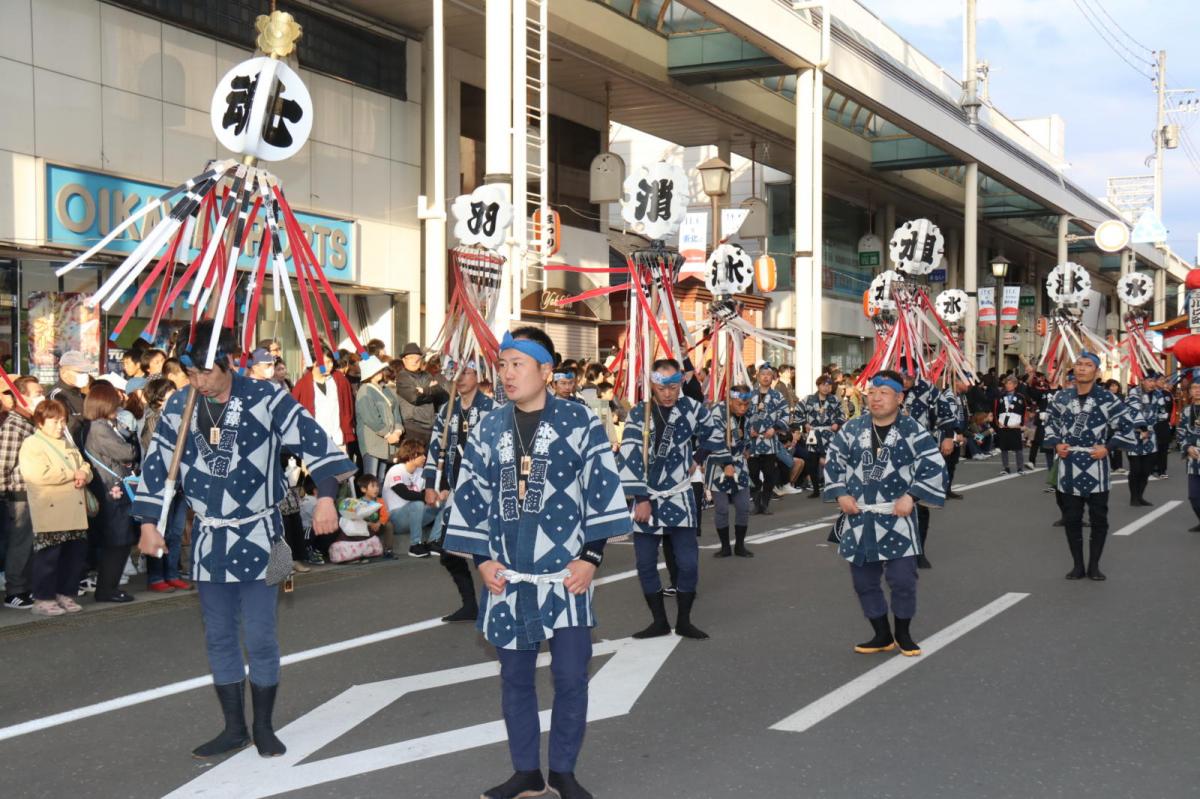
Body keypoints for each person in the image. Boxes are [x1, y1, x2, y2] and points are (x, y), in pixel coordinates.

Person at [133, 321, 354, 760]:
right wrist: (147, 522)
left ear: (230, 363)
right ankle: (234, 727)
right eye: (192, 373)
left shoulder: (267, 397)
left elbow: (316, 444)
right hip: (209, 540)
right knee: (217, 636)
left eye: (208, 374)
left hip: (267, 535)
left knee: (261, 634)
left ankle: (264, 725)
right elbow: (157, 468)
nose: (200, 382)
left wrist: (327, 498)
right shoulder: (180, 405)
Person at [443, 327, 630, 799]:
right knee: (514, 678)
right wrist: (481, 561)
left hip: (566, 573)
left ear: (546, 371)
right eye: (502, 365)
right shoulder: (487, 427)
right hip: (507, 575)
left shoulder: (580, 421)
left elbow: (602, 490)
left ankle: (563, 770)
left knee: (570, 675)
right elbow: (471, 497)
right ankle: (526, 770)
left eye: (517, 364)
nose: (506, 374)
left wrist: (591, 557)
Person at [823, 370, 947, 657]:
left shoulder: (912, 429)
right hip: (859, 517)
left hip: (896, 516)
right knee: (863, 581)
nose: (876, 398)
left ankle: (903, 632)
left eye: (884, 393)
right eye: (872, 392)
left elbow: (934, 464)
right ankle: (881, 633)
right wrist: (840, 493)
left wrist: (912, 495)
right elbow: (833, 461)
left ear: (899, 398)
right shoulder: (852, 429)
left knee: (903, 580)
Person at [618, 358, 723, 640]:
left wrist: (698, 457)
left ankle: (685, 620)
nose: (668, 393)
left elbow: (716, 431)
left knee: (688, 562)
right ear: (652, 384)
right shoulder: (640, 413)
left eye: (674, 387)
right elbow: (628, 455)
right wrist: (640, 497)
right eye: (662, 387)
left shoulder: (690, 408)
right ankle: (659, 621)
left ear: (680, 384)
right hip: (647, 497)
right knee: (645, 563)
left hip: (679, 493)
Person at [1042, 352, 1135, 581]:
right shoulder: (1061, 397)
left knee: (1098, 518)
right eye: (1079, 364)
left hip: (1096, 463)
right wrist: (1056, 443)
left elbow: (1126, 427)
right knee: (1072, 518)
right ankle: (1077, 565)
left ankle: (1094, 565)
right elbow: (1049, 424)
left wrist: (1108, 447)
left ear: (1096, 371)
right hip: (1069, 463)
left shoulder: (1107, 398)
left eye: (1088, 365)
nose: (1082, 368)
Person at [423, 361, 496, 622]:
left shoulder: (492, 410)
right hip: (456, 489)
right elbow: (435, 447)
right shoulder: (447, 410)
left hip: (486, 490)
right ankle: (469, 604)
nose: (461, 378)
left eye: (467, 372)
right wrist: (431, 484)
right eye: (457, 373)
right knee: (448, 549)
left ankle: (498, 601)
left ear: (479, 376)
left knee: (489, 549)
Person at [18, 399, 93, 617]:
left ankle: (65, 594)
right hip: (50, 509)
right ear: (40, 422)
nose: (60, 426)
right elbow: (36, 475)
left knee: (73, 556)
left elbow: (84, 465)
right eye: (54, 421)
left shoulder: (67, 443)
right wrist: (73, 474)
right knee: (48, 558)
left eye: (62, 421)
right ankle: (43, 598)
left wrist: (84, 474)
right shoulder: (32, 444)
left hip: (74, 510)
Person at [82, 381, 139, 604]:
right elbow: (127, 452)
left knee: (120, 542)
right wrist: (129, 438)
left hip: (112, 490)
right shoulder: (99, 429)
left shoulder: (100, 426)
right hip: (111, 492)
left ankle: (110, 588)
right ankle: (107, 589)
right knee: (117, 542)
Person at [1, 377, 42, 609]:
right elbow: (3, 464)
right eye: (36, 392)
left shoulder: (32, 423)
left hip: (36, 491)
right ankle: (14, 591)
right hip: (19, 493)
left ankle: (26, 587)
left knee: (30, 543)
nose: (40, 396)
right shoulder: (13, 426)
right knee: (20, 543)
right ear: (21, 397)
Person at [707, 384, 756, 558]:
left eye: (746, 404)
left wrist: (748, 447)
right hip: (718, 465)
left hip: (739, 463)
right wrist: (725, 463)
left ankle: (740, 545)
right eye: (739, 404)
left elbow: (748, 436)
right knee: (722, 509)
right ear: (730, 400)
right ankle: (725, 546)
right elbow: (712, 441)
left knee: (743, 506)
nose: (743, 408)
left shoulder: (749, 413)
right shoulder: (717, 413)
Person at [292, 341, 356, 454]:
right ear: (315, 363)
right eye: (326, 362)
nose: (330, 365)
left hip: (337, 439)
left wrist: (347, 428)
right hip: (314, 441)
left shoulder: (340, 380)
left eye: (331, 361)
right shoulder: (302, 385)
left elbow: (348, 407)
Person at [384, 439, 440, 557]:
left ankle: (433, 541)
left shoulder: (420, 471)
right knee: (417, 503)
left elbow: (427, 492)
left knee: (443, 504)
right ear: (412, 455)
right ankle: (415, 545)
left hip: (416, 516)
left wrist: (434, 498)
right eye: (421, 455)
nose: (425, 457)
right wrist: (426, 497)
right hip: (396, 519)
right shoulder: (396, 470)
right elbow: (404, 493)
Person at [746, 364, 788, 515]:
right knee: (752, 473)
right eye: (762, 374)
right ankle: (756, 502)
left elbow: (785, 415)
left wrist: (775, 428)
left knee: (770, 474)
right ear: (758, 376)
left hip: (770, 442)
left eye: (768, 374)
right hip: (753, 442)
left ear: (773, 377)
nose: (765, 377)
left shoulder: (778, 396)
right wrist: (747, 428)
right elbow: (742, 413)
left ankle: (765, 502)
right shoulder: (750, 395)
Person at [355, 356, 404, 483]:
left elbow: (396, 412)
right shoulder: (364, 391)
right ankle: (370, 503)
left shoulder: (386, 389)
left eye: (380, 370)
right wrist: (388, 434)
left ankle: (380, 503)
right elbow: (371, 418)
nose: (379, 373)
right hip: (372, 441)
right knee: (371, 479)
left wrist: (398, 431)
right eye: (375, 370)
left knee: (381, 478)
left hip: (387, 442)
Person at [798, 374, 846, 499]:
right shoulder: (808, 399)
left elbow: (842, 414)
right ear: (818, 385)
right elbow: (797, 411)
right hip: (813, 434)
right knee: (812, 462)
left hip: (829, 433)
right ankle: (815, 489)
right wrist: (804, 423)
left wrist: (837, 422)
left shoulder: (834, 399)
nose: (826, 388)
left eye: (828, 385)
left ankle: (834, 488)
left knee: (831, 461)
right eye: (823, 385)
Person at [394, 343, 447, 447]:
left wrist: (425, 390)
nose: (415, 361)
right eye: (411, 358)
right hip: (412, 427)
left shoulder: (426, 375)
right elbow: (415, 398)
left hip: (430, 426)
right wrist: (431, 390)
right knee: (414, 461)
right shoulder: (402, 377)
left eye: (418, 358)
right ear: (404, 360)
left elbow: (441, 393)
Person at [1124, 374, 1158, 507]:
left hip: (1151, 436)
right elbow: (1133, 412)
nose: (1153, 383)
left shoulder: (1157, 395)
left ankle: (1140, 496)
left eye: (1154, 381)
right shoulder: (1134, 393)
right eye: (1150, 380)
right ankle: (1134, 497)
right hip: (1135, 436)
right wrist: (1142, 428)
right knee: (1136, 470)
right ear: (1142, 381)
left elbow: (1162, 412)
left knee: (1146, 470)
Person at [49, 350, 93, 441]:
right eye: (80, 372)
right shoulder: (57, 397)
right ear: (64, 373)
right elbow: (66, 432)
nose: (85, 376)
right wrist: (77, 454)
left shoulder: (80, 395)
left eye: (86, 372)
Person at [1175, 379, 1200, 531]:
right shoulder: (1186, 410)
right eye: (1194, 388)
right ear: (1190, 391)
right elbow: (1180, 433)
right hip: (1194, 459)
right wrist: (1187, 447)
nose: (1197, 390)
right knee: (1194, 496)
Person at [994, 375, 1029, 474]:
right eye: (1006, 383)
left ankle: (1020, 468)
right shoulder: (1000, 397)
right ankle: (1006, 467)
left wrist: (1022, 424)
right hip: (1003, 426)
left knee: (1018, 448)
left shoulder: (1020, 397)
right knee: (1004, 448)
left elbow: (1024, 411)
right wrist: (998, 423)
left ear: (1015, 385)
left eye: (1010, 383)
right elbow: (995, 410)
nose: (1008, 385)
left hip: (1015, 426)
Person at [1150, 372, 1173, 478]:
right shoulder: (1150, 393)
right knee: (1153, 447)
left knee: (1163, 448)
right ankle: (1151, 468)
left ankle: (1162, 470)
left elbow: (1170, 409)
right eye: (1160, 379)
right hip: (1152, 424)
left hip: (1164, 424)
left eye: (1164, 379)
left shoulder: (1167, 394)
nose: (1163, 381)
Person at [1104, 379, 1126, 474]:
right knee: (1108, 445)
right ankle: (1111, 465)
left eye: (1116, 385)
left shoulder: (1121, 397)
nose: (1114, 388)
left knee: (1118, 445)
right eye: (1112, 386)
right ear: (1108, 388)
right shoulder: (1105, 397)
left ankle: (1119, 466)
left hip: (1118, 424)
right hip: (1107, 424)